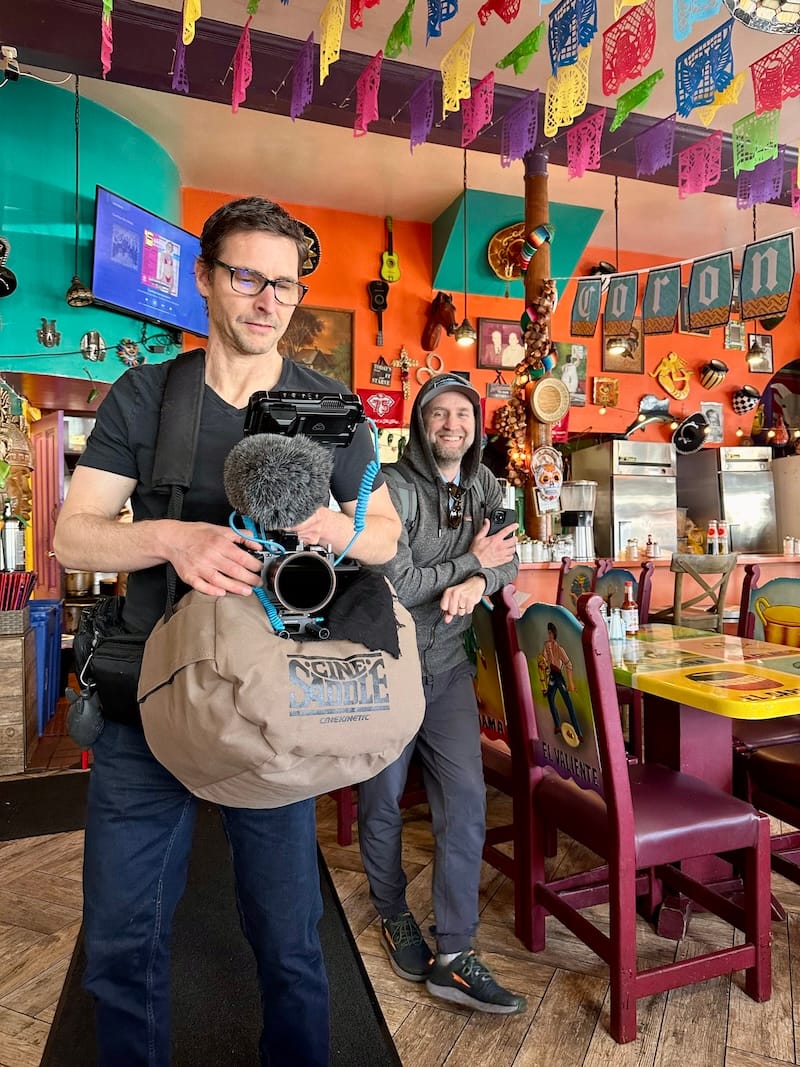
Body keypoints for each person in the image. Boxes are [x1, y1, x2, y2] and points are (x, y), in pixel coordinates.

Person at [53, 196, 401, 1067]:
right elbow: (71, 535)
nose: (266, 299)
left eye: (283, 283)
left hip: (272, 708)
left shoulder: (330, 405)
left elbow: (387, 534)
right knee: (122, 944)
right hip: (145, 701)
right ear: (205, 281)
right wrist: (174, 537)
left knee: (290, 941)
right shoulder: (147, 393)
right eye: (246, 276)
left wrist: (330, 525)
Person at [357, 373, 526, 1015]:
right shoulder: (391, 488)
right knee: (382, 800)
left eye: (463, 414)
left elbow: (510, 555)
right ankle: (393, 912)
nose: (452, 424)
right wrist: (466, 565)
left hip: (450, 666)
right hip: (388, 662)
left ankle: (454, 954)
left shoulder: (486, 485)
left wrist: (483, 579)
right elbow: (395, 583)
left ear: (476, 424)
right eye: (439, 414)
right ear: (422, 424)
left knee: (466, 799)